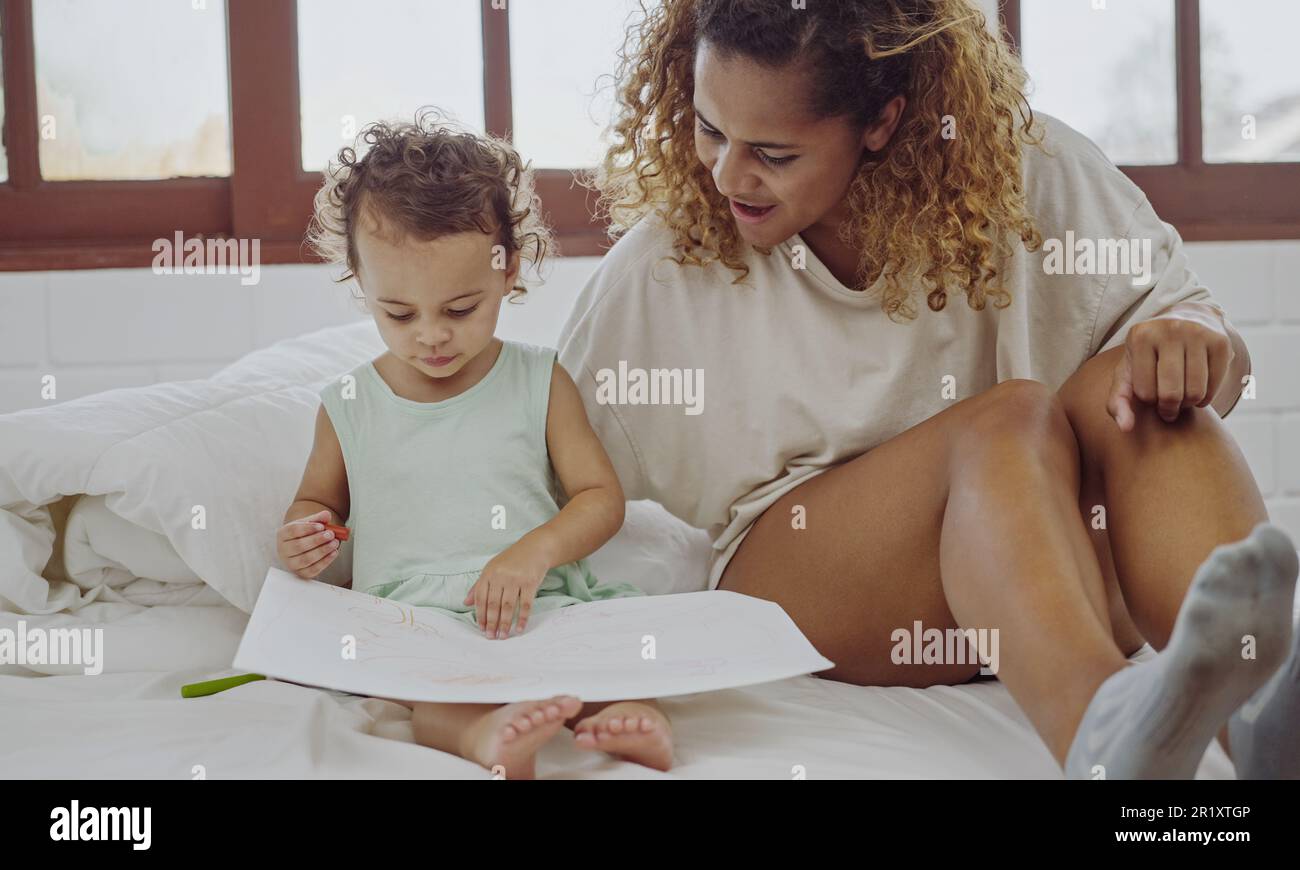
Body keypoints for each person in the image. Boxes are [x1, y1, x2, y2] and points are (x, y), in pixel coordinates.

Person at [557, 0, 1299, 778]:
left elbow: (1224, 369)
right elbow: (543, 476)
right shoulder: (663, 264)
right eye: (710, 129)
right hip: (812, 576)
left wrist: (1197, 352)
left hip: (1047, 572)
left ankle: (1256, 724)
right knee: (1011, 418)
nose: (726, 174)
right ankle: (1099, 731)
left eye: (773, 154)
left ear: (881, 121)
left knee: (1144, 392)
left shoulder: (1033, 172)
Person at [277, 111, 673, 779]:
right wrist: (304, 535)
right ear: (359, 281)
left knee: (612, 661)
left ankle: (634, 723)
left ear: (508, 269)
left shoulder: (538, 381)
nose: (431, 335)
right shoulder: (348, 405)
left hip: (536, 600)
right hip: (415, 622)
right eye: (398, 313)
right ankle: (487, 739)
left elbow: (601, 499)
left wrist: (534, 551)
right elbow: (317, 502)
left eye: (460, 309)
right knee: (435, 697)